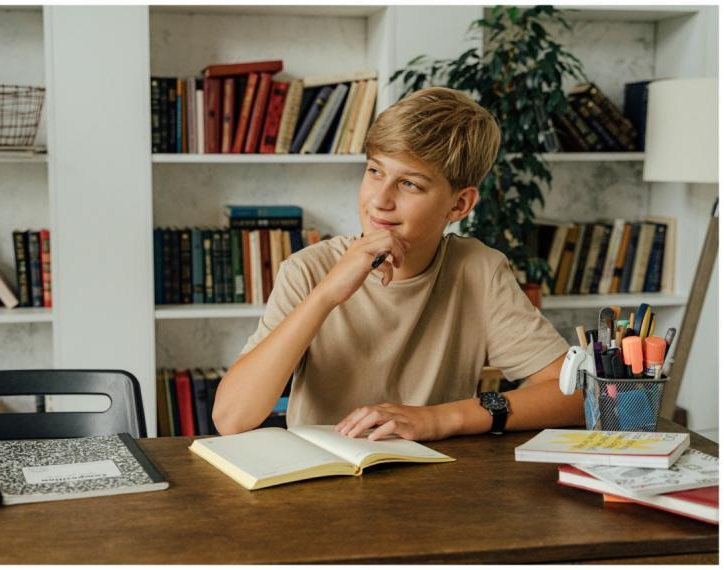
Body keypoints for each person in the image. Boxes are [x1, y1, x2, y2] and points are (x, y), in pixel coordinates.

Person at [213, 86, 584, 441]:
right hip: (322, 484)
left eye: (410, 184)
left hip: (434, 484)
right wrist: (326, 294)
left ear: (459, 206)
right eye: (375, 171)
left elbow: (576, 397)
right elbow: (231, 418)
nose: (379, 200)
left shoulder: (478, 271)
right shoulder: (308, 269)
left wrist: (440, 418)